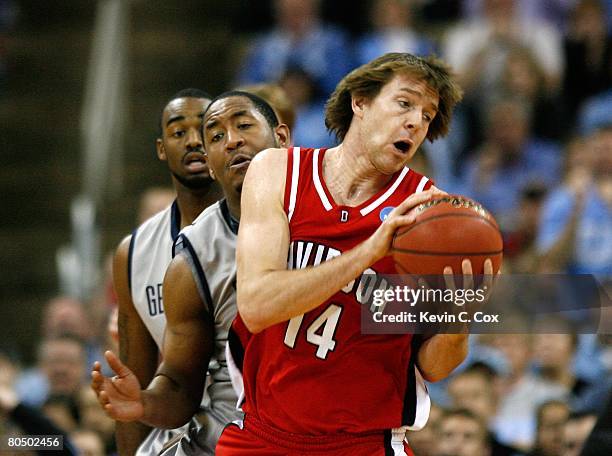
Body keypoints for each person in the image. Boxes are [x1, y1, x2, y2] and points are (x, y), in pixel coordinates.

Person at [220, 52, 494, 455]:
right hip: (262, 435)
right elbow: (257, 304)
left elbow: (434, 367)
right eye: (405, 103)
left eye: (427, 115)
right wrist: (369, 251)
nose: (416, 122)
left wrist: (459, 318)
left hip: (363, 442)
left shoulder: (431, 218)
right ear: (360, 101)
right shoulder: (277, 172)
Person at [91, 92, 290, 454]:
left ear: (282, 137)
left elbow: (416, 348)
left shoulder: (342, 212)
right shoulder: (184, 254)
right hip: (219, 430)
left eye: (243, 126)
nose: (230, 140)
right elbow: (173, 383)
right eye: (216, 135)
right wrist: (142, 405)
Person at [107, 88, 222, 455]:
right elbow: (134, 382)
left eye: (205, 131)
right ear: (161, 149)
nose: (193, 141)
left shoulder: (260, 226)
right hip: (182, 423)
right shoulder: (133, 253)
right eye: (178, 132)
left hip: (258, 422)